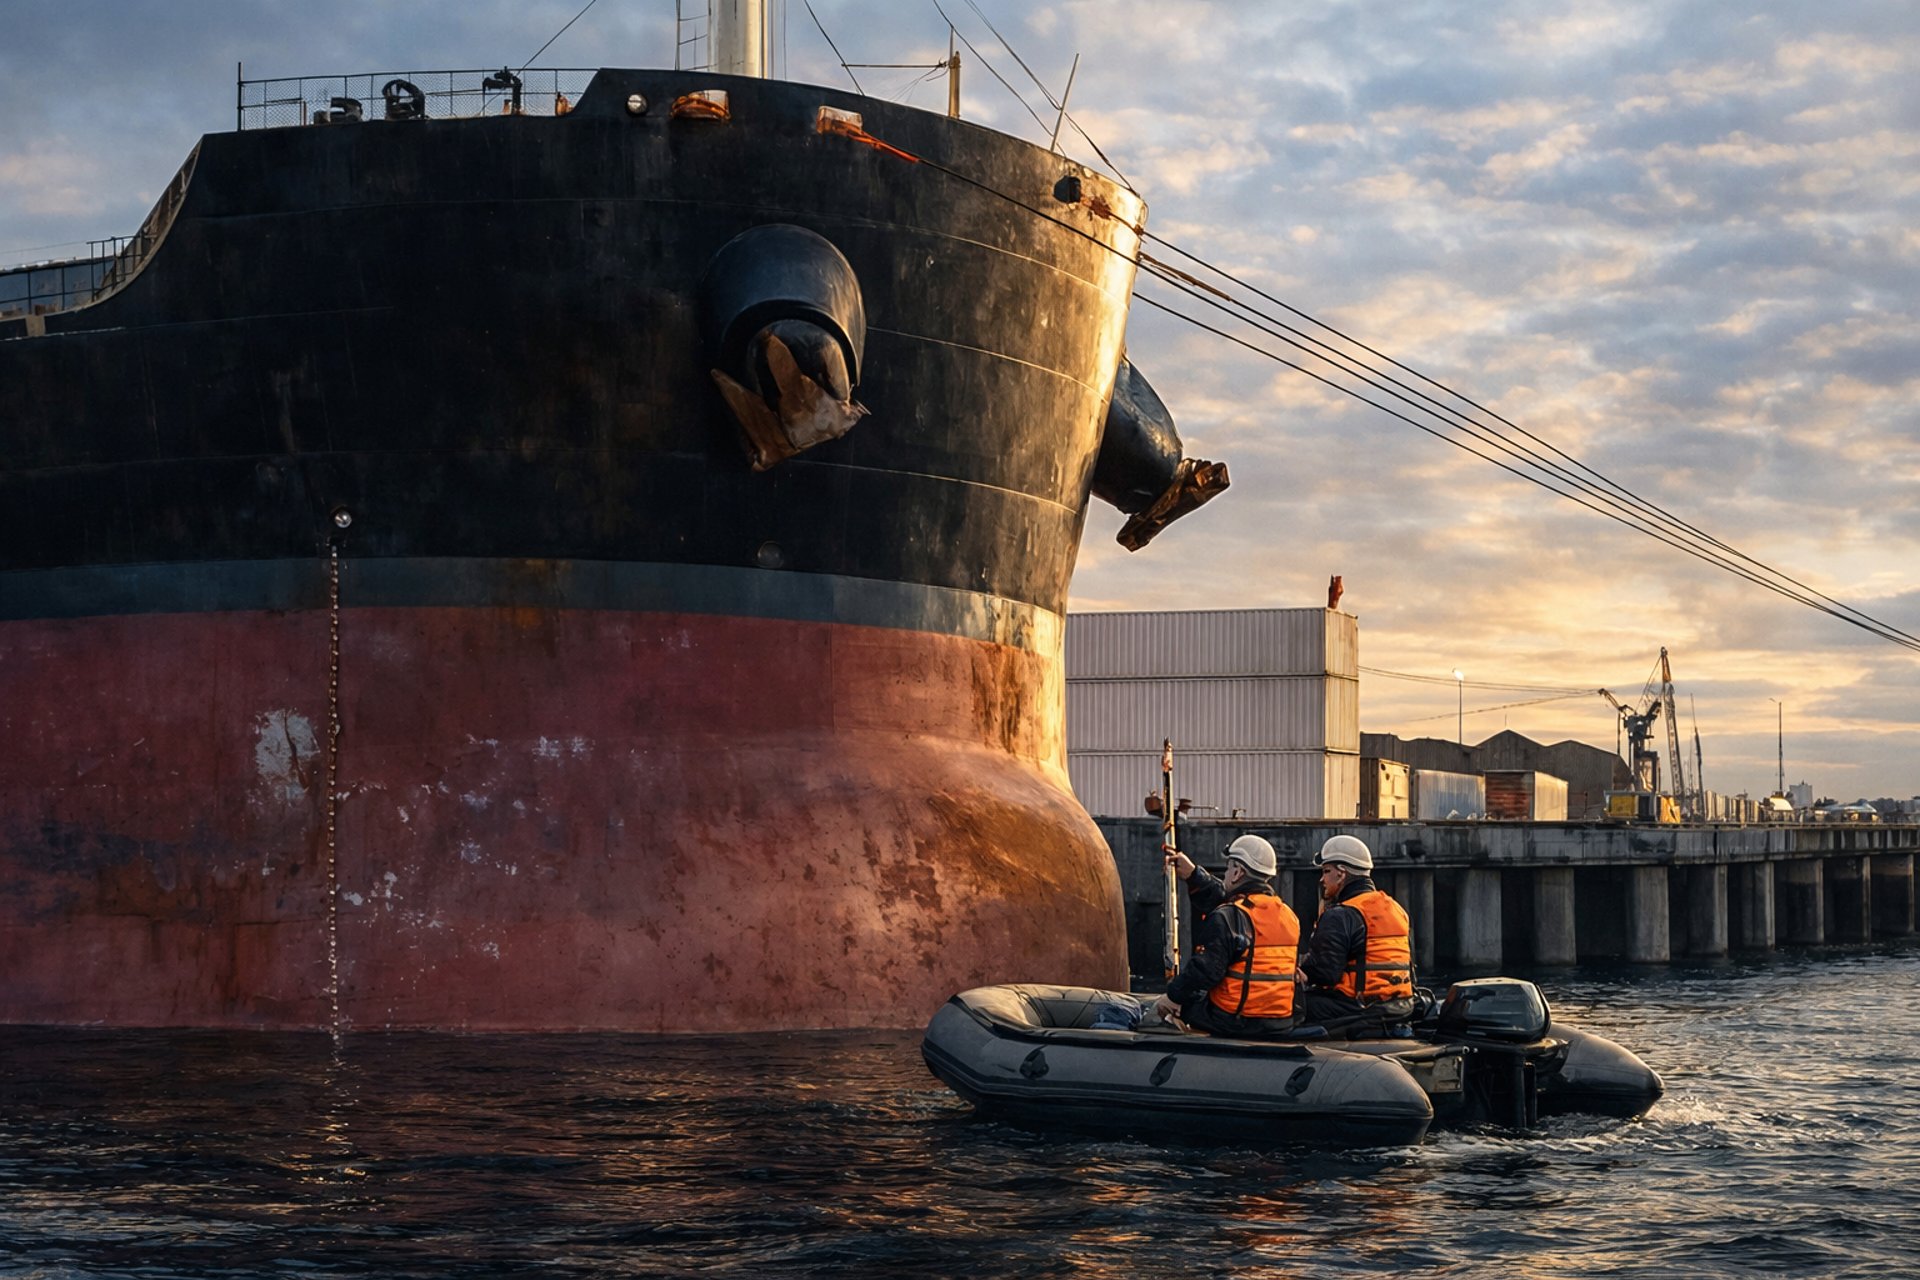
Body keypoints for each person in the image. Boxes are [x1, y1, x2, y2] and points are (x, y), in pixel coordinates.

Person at [1151, 835, 1300, 1038]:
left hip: (1234, 1021)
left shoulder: (1228, 916)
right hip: (1280, 1022)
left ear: (1238, 872)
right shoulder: (1288, 915)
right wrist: (1194, 875)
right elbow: (1229, 900)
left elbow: (1205, 971)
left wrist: (1172, 997)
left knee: (1183, 1002)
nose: (1226, 874)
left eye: (1228, 869)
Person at [1295, 835, 1416, 1032]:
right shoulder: (1396, 909)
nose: (1322, 879)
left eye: (1326, 871)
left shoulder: (1341, 915)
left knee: (1288, 1003)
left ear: (1341, 873)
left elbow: (1326, 973)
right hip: (1400, 1007)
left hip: (1357, 1008)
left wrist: (1300, 972)